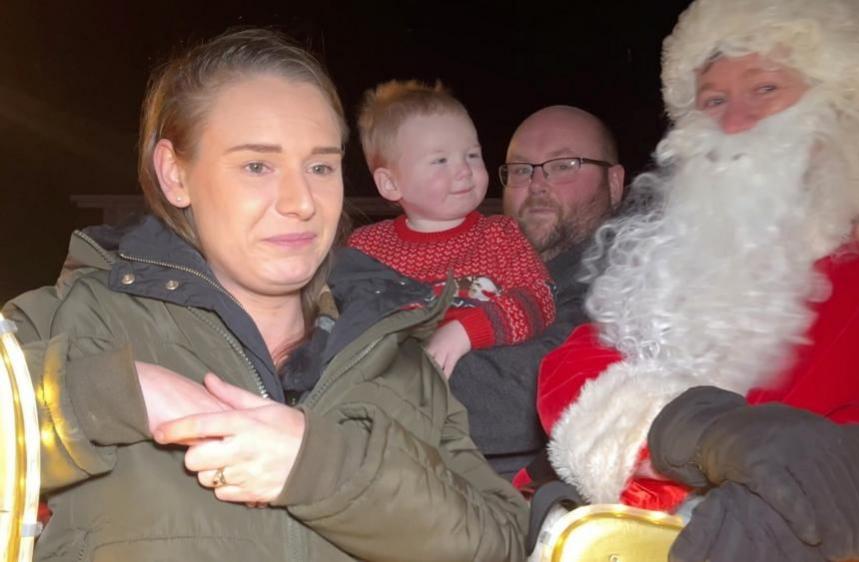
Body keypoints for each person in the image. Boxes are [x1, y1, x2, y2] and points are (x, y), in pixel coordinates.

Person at [4, 29, 526, 561]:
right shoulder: (85, 318)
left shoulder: (397, 356)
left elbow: (502, 544)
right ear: (174, 173)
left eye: (320, 166)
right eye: (258, 165)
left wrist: (319, 466)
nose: (302, 202)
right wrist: (122, 393)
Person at [534, 0, 859, 560]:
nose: (733, 123)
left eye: (764, 90)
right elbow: (576, 370)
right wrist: (694, 430)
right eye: (714, 100)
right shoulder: (688, 241)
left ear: (837, 100)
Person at [448, 105, 625, 478]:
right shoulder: (481, 263)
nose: (537, 184)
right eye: (521, 170)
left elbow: (525, 392)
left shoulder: (628, 280)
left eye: (564, 165)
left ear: (614, 183)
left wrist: (375, 367)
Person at [347, 80, 556, 378]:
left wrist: (464, 332)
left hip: (482, 392)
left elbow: (541, 299)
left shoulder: (500, 235)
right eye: (440, 160)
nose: (464, 170)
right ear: (391, 183)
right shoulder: (366, 247)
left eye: (472, 155)